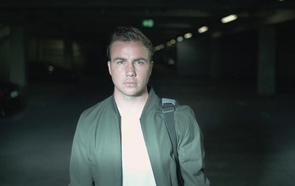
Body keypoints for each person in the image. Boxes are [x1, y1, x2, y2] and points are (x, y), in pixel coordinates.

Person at [68, 26, 210, 186]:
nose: (130, 71)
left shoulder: (180, 118)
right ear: (110, 68)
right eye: (121, 62)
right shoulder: (89, 120)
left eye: (139, 62)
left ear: (150, 67)